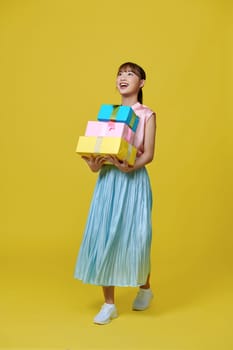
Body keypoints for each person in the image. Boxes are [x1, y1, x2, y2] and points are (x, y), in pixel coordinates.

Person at [74, 62, 157, 324]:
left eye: (130, 74)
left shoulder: (147, 114)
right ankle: (109, 304)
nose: (123, 77)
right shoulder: (108, 114)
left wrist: (129, 167)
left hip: (133, 181)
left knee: (136, 239)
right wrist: (93, 164)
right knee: (105, 237)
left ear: (141, 83)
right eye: (120, 74)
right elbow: (100, 149)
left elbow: (149, 154)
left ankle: (145, 287)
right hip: (109, 181)